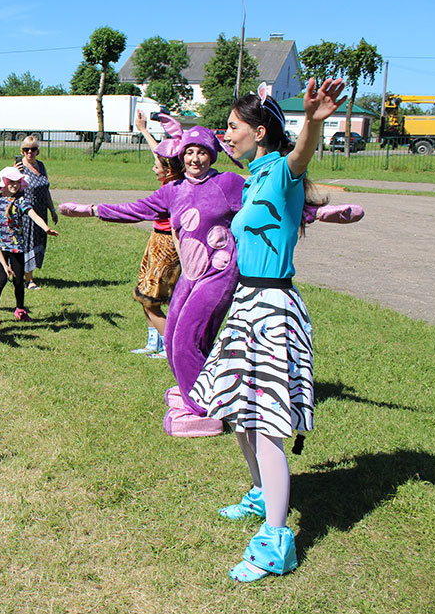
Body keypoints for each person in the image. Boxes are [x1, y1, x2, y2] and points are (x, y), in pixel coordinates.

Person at [186, 80, 349, 582]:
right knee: (239, 412)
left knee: (269, 424)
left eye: (232, 127)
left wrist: (314, 121)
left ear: (259, 132)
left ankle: (278, 543)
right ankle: (260, 493)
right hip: (246, 303)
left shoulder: (279, 169)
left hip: (273, 306)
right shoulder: (256, 176)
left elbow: (300, 156)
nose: (224, 134)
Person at [58, 126, 245, 414]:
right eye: (190, 152)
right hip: (191, 274)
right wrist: (91, 210)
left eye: (202, 152)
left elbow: (265, 202)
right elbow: (135, 209)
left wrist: (315, 212)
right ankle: (200, 388)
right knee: (171, 336)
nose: (195, 159)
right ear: (182, 156)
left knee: (185, 340)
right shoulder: (174, 191)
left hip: (220, 272)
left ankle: (202, 409)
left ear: (212, 155)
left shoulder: (229, 183)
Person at [129, 111, 185, 358]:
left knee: (153, 299)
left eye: (157, 165)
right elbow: (159, 152)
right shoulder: (168, 179)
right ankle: (154, 342)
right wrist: (142, 130)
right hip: (155, 239)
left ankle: (170, 347)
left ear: (168, 170)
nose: (153, 167)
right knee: (143, 294)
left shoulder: (175, 187)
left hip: (167, 244)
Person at [0, 167, 58, 326]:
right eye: (11, 181)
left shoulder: (21, 201)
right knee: (2, 279)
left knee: (18, 280)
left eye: (18, 182)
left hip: (17, 246)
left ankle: (19, 309)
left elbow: (33, 214)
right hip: (1, 247)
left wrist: (45, 227)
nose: (14, 185)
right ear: (5, 182)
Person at [14, 136, 58, 290]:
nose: (29, 152)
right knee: (28, 242)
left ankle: (16, 273)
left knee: (38, 241)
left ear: (38, 151)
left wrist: (52, 209)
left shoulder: (41, 166)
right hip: (26, 212)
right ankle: (29, 279)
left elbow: (45, 190)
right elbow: (11, 190)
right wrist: (16, 175)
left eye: (33, 149)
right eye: (26, 149)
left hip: (41, 210)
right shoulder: (19, 169)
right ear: (22, 151)